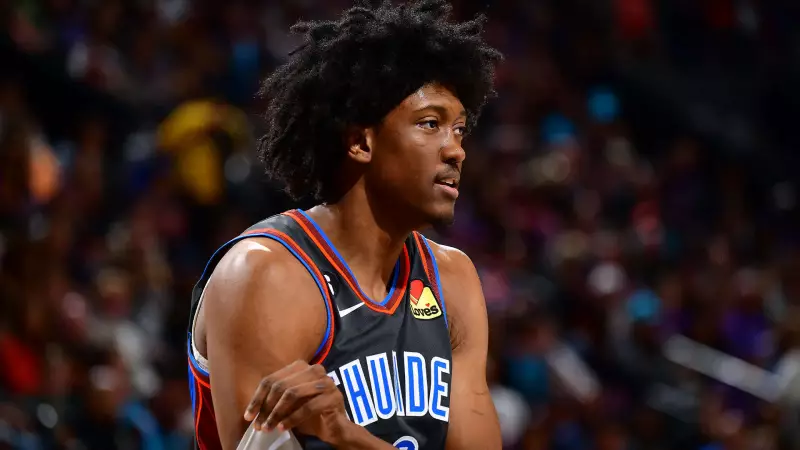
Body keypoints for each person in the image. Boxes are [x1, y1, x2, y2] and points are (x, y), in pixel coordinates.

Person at [186, 0, 503, 448]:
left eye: (459, 129)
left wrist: (346, 437)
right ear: (360, 143)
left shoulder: (452, 279)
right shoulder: (267, 275)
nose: (456, 151)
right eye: (430, 124)